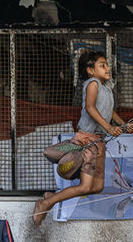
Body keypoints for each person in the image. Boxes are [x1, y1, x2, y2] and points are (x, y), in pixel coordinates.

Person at [33, 51, 126, 226]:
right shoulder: (92, 84)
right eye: (102, 65)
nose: (107, 68)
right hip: (87, 141)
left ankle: (52, 197)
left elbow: (109, 110)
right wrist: (109, 127)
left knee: (97, 187)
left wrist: (123, 124)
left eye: (107, 64)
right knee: (85, 186)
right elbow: (91, 108)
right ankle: (46, 203)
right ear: (90, 70)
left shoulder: (107, 88)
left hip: (99, 142)